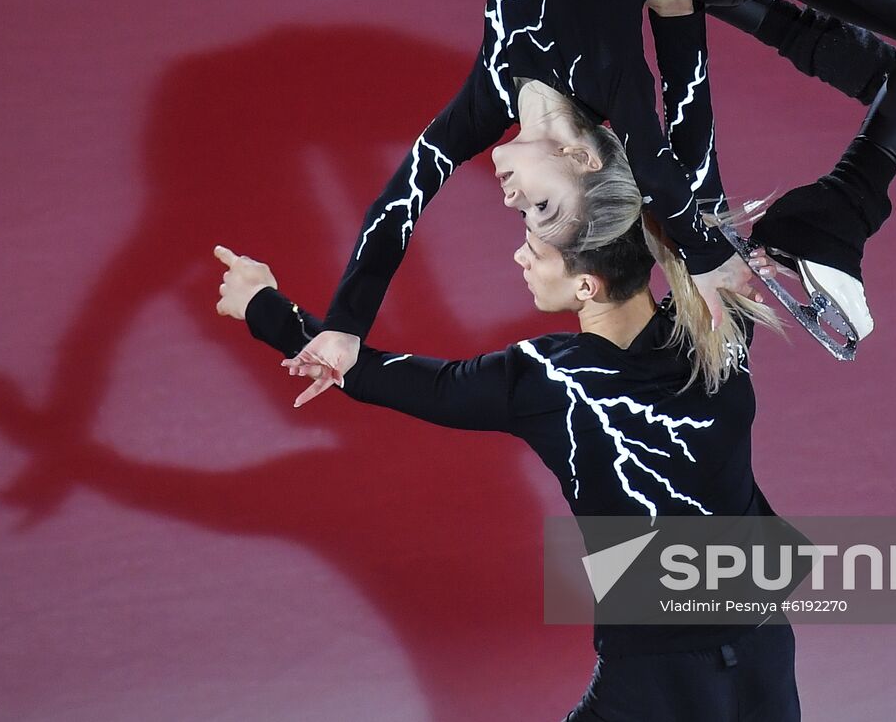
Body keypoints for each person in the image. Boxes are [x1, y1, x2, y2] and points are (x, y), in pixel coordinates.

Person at [294, 0, 896, 398]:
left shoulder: (491, 95)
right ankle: (842, 205)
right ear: (576, 156)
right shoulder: (603, 73)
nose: (510, 200)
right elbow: (664, 154)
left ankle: (855, 72)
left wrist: (346, 324)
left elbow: (396, 202)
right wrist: (709, 253)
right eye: (540, 206)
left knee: (891, 84)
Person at [213, 211, 804, 720]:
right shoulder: (714, 322)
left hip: (655, 673)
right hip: (764, 648)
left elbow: (377, 375)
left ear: (587, 287)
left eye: (537, 250)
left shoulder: (547, 378)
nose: (519, 255)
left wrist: (261, 305)